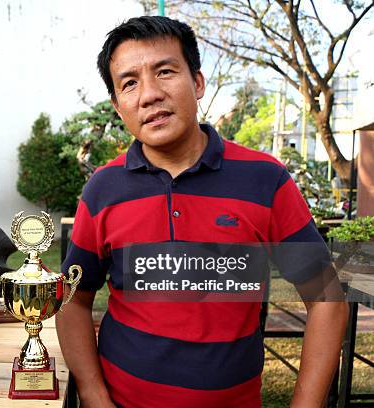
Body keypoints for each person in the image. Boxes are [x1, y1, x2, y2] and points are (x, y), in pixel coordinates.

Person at [56, 16, 348, 408]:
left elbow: (327, 299)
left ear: (197, 83)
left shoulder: (265, 180)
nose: (149, 94)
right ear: (117, 105)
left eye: (165, 71)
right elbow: (73, 300)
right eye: (129, 83)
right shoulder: (103, 190)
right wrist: (93, 394)